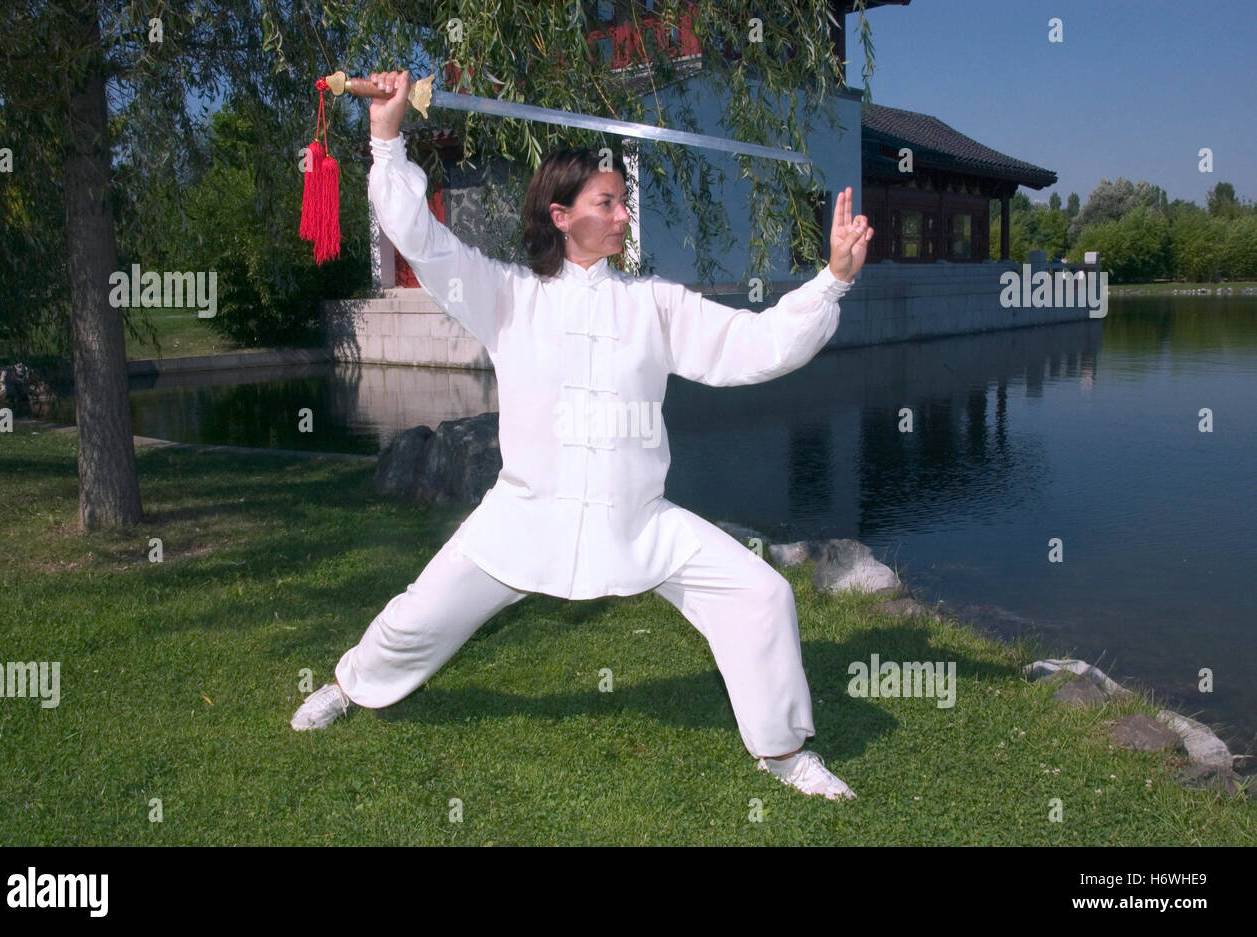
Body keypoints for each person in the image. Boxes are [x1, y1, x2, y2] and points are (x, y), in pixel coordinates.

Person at [292, 70, 875, 800]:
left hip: (639, 522)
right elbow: (423, 241)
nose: (625, 215)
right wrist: (386, 137)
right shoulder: (508, 296)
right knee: (420, 615)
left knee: (761, 596)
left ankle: (785, 753)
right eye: (609, 202)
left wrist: (832, 281)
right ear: (562, 215)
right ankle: (350, 685)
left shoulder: (655, 305)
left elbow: (755, 348)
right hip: (523, 517)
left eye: (625, 202)